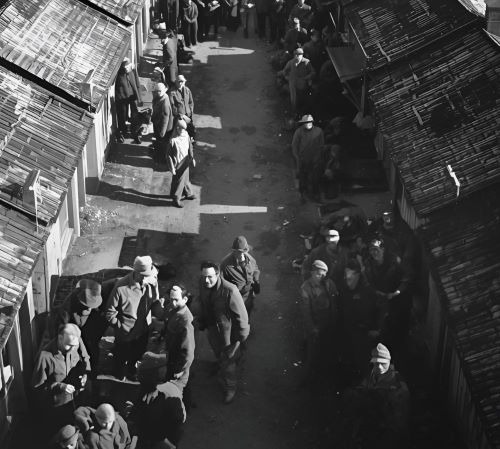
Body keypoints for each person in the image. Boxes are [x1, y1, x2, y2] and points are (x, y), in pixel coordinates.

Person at [196, 261, 250, 403]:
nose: (206, 280)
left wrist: (240, 341)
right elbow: (202, 301)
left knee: (229, 363)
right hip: (212, 328)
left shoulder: (230, 291)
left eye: (210, 277)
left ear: (218, 274)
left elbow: (243, 319)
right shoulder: (202, 283)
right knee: (219, 354)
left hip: (229, 336)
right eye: (204, 277)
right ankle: (221, 365)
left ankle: (231, 387)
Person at [105, 255, 160, 380]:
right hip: (125, 332)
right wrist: (121, 327)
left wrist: (155, 290)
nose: (150, 278)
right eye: (147, 275)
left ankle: (131, 369)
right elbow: (109, 313)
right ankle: (118, 373)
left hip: (143, 330)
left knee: (138, 352)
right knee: (120, 355)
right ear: (138, 273)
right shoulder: (121, 287)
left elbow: (154, 302)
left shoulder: (151, 283)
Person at [32, 324, 90, 438]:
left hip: (74, 403)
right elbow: (37, 387)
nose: (73, 349)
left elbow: (81, 361)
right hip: (55, 410)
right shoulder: (45, 356)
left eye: (75, 345)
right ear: (60, 338)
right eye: (69, 345)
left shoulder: (73, 346)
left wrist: (84, 375)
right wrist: (59, 386)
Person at [363, 239, 413, 364]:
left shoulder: (395, 261)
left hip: (396, 301)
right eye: (371, 249)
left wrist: (397, 292)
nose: (374, 252)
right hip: (378, 301)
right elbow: (366, 283)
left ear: (383, 249)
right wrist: (376, 292)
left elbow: (407, 277)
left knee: (395, 332)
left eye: (377, 249)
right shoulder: (368, 264)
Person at [48, 279, 105, 378]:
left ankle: (92, 373)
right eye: (87, 306)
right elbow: (61, 332)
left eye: (92, 306)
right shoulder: (67, 308)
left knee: (93, 349)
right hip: (73, 332)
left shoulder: (95, 296)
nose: (89, 309)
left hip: (89, 328)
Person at [130, 352, 186, 448]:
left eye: (142, 375)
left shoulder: (169, 394)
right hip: (146, 438)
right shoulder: (145, 388)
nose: (138, 378)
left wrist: (168, 443)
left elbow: (177, 423)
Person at [338, 259, 380, 385]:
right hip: (348, 329)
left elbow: (379, 308)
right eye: (346, 276)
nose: (347, 279)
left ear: (357, 275)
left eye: (350, 277)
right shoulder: (343, 288)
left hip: (364, 331)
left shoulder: (368, 290)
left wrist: (377, 328)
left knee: (363, 359)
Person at [299, 259, 338, 385]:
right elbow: (306, 312)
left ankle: (327, 379)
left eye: (323, 274)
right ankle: (307, 381)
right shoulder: (306, 287)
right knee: (312, 355)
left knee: (329, 352)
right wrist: (312, 328)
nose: (321, 277)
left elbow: (335, 303)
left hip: (329, 324)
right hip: (315, 326)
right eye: (318, 274)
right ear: (312, 273)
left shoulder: (329, 284)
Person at [152, 284, 195, 390]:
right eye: (171, 299)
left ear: (185, 299)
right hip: (171, 355)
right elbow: (167, 324)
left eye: (176, 300)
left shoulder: (185, 321)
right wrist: (160, 336)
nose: (173, 303)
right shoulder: (172, 309)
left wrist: (180, 369)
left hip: (178, 362)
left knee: (178, 388)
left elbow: (188, 351)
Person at [220, 235, 261, 314]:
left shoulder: (250, 259)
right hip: (236, 298)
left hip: (249, 294)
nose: (242, 255)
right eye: (239, 252)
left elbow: (256, 269)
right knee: (237, 317)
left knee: (248, 311)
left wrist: (256, 280)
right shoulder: (225, 264)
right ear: (234, 251)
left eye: (243, 252)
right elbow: (220, 282)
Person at [291, 114, 324, 200]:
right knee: (302, 178)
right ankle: (302, 195)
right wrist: (297, 158)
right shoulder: (299, 132)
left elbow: (321, 146)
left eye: (309, 122)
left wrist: (318, 157)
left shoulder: (319, 131)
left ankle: (315, 195)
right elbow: (294, 146)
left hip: (315, 159)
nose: (308, 123)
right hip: (303, 160)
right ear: (303, 123)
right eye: (306, 122)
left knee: (315, 178)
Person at [167, 119, 196, 208]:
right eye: (181, 129)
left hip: (186, 160)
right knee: (178, 182)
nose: (183, 131)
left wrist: (192, 158)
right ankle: (176, 198)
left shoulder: (186, 135)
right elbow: (168, 155)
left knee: (186, 178)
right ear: (177, 128)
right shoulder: (173, 140)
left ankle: (188, 193)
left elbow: (190, 147)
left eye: (184, 129)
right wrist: (171, 167)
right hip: (178, 163)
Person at [114, 58, 142, 143]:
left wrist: (139, 98)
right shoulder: (119, 74)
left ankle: (135, 132)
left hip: (132, 97)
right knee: (123, 116)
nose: (126, 69)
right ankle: (124, 131)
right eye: (124, 67)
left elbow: (137, 84)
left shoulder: (132, 71)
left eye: (128, 67)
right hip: (122, 99)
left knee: (135, 115)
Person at [282, 47, 315, 118]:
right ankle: (294, 114)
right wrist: (288, 78)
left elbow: (313, 72)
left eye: (299, 54)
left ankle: (303, 114)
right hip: (293, 84)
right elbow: (284, 71)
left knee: (303, 100)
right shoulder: (291, 62)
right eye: (296, 54)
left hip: (303, 85)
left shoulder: (307, 62)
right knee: (293, 99)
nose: (297, 56)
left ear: (302, 55)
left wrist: (307, 78)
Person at [152, 82, 174, 161]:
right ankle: (159, 155)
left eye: (160, 91)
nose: (158, 92)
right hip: (158, 124)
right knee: (159, 142)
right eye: (157, 90)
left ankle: (162, 159)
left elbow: (165, 118)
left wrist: (162, 132)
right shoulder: (158, 97)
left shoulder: (164, 102)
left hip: (164, 128)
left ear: (164, 90)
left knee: (162, 144)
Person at [169, 74, 196, 138]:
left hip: (188, 115)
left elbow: (191, 102)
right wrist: (180, 115)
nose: (180, 83)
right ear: (176, 82)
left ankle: (190, 143)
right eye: (179, 81)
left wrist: (191, 112)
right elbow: (171, 106)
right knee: (180, 132)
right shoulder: (172, 92)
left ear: (184, 82)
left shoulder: (187, 90)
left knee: (192, 131)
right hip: (179, 117)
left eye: (182, 81)